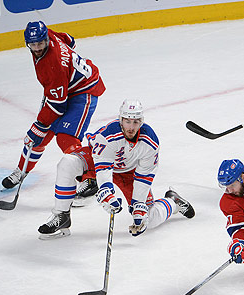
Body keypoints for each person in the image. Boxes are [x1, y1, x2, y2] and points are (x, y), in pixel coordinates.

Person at [38, 99, 195, 239]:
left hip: (129, 173)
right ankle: (61, 215)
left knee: (146, 220)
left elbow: (145, 174)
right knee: (67, 163)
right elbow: (103, 166)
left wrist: (138, 204)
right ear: (121, 120)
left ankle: (172, 202)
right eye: (127, 121)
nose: (131, 127)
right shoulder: (107, 135)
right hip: (100, 164)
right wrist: (106, 191)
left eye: (135, 122)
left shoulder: (150, 141)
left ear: (141, 121)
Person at [2, 21, 105, 198]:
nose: (37, 48)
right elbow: (69, 40)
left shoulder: (53, 64)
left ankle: (90, 178)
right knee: (40, 138)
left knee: (65, 138)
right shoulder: (47, 34)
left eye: (40, 44)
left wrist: (38, 126)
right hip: (66, 88)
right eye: (33, 44)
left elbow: (57, 106)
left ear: (46, 41)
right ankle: (22, 170)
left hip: (83, 91)